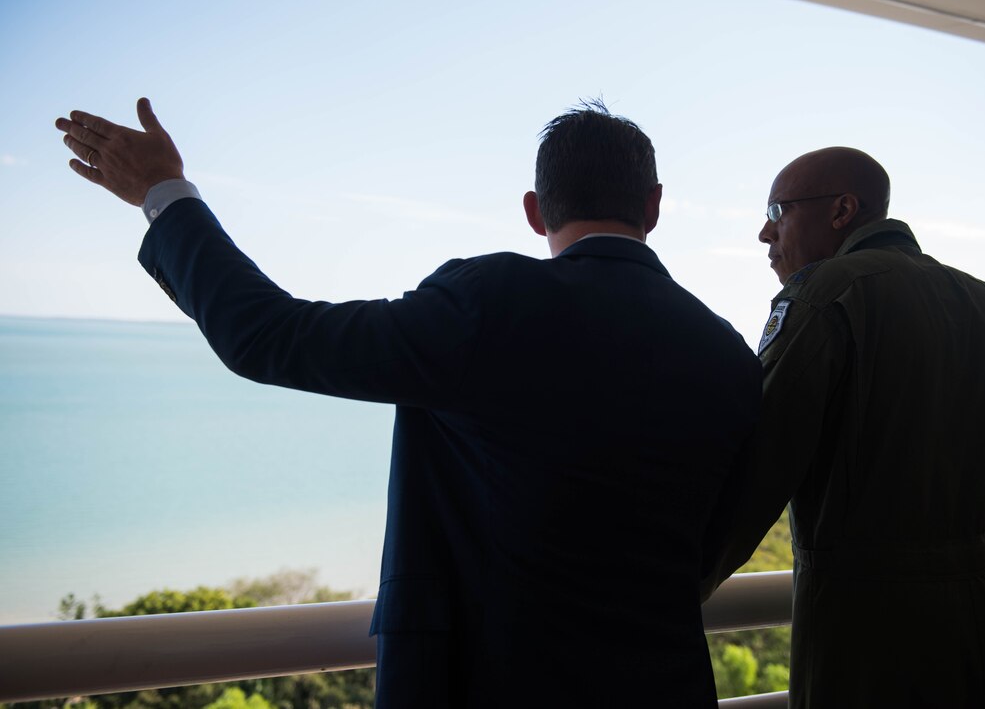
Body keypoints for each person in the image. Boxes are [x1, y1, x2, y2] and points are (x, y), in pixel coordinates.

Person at [56, 99, 761, 708]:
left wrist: (164, 193)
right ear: (654, 205)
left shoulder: (490, 307)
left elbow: (271, 336)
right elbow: (718, 542)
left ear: (535, 210)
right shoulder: (726, 354)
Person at [699, 147, 985, 708]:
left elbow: (752, 474)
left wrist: (667, 592)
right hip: (979, 633)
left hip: (865, 643)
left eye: (777, 210)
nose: (764, 234)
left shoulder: (823, 295)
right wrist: (958, 566)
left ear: (842, 210)